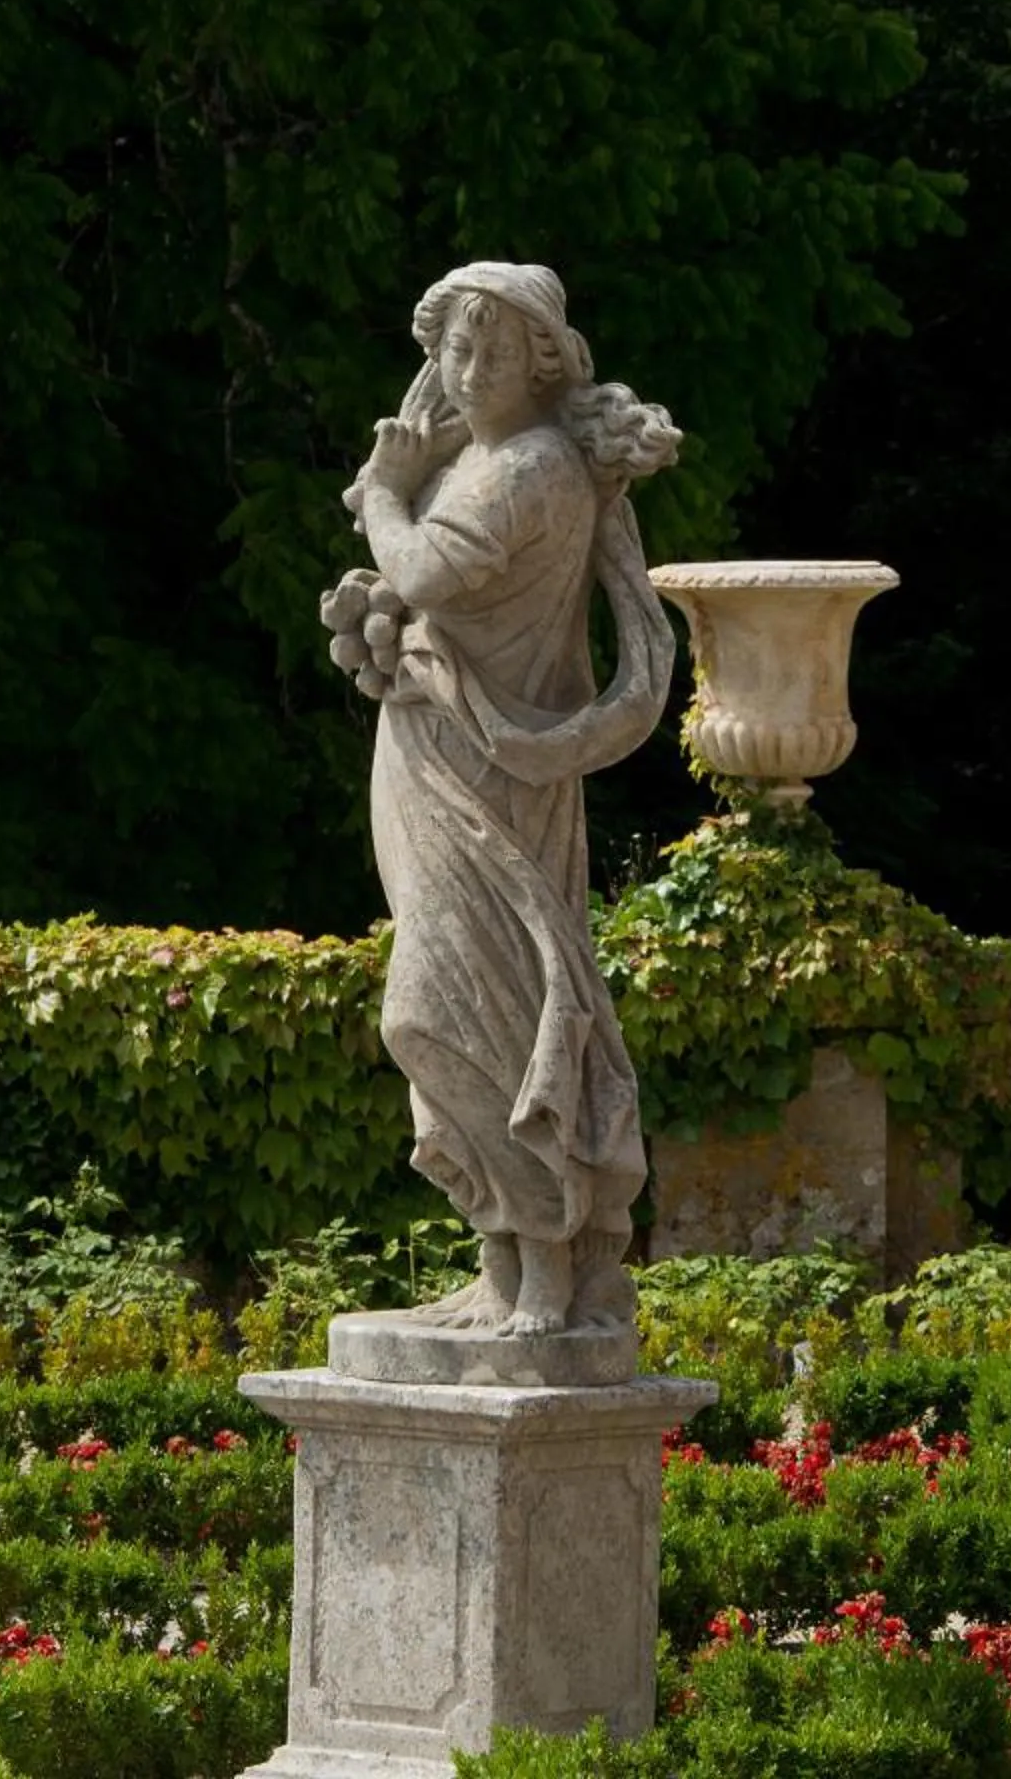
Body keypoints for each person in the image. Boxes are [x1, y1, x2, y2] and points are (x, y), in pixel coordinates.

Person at [331, 263, 674, 1336]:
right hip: (436, 753)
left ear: (539, 361)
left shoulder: (525, 467)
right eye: (452, 349)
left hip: (487, 768)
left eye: (488, 350)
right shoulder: (490, 459)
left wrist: (386, 494)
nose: (464, 371)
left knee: (445, 1008)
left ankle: (550, 1262)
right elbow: (424, 595)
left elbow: (430, 573)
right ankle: (506, 1261)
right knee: (482, 1003)